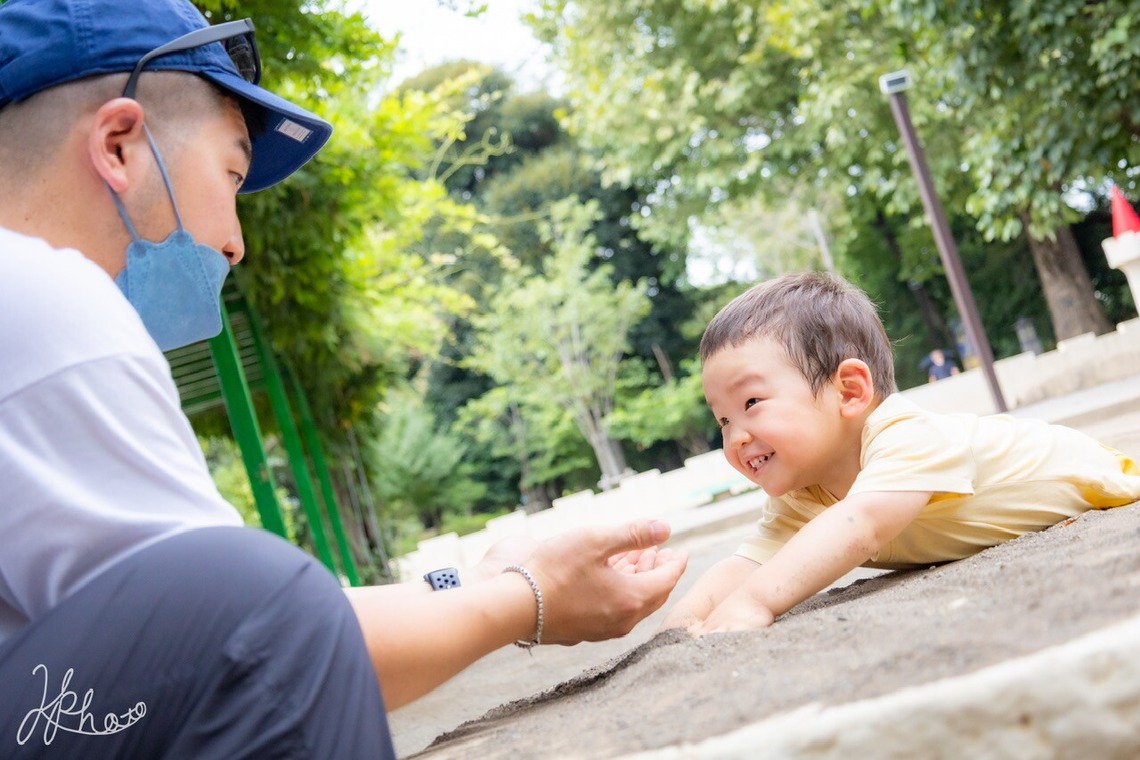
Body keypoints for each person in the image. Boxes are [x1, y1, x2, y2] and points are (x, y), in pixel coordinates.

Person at [0, 1, 687, 757]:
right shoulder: (37, 291)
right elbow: (254, 632)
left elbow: (196, 640)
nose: (236, 244)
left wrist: (478, 584)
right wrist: (528, 599)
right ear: (119, 145)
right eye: (230, 174)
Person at [660, 271, 1140, 634]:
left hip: (1095, 473)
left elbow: (863, 525)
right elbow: (745, 564)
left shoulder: (905, 436)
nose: (736, 437)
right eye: (723, 420)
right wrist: (679, 625)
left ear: (849, 390)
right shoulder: (800, 495)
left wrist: (755, 603)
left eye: (751, 403)